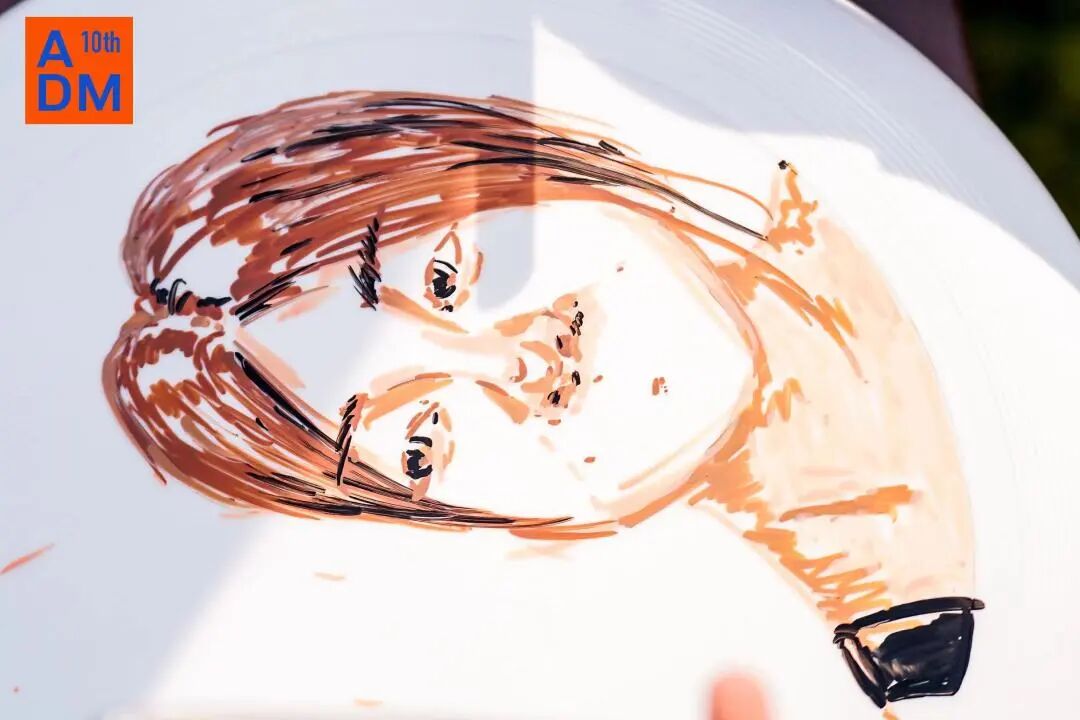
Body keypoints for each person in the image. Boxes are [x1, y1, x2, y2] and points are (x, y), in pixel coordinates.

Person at [103, 91, 982, 709]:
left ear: (514, 158)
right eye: (420, 443)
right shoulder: (904, 655)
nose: (515, 366)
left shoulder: (842, 139)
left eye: (442, 279)